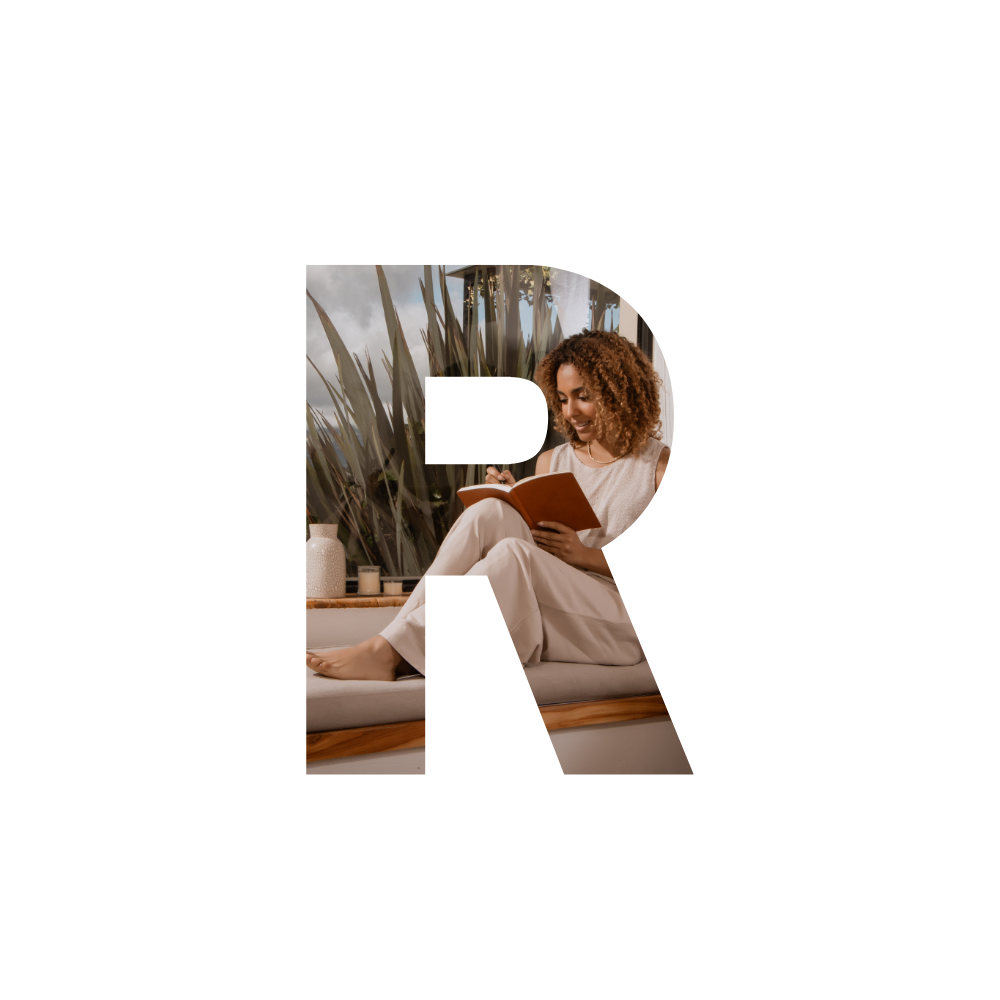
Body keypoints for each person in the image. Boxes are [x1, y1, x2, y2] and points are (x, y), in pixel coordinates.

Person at [305, 328, 673, 682]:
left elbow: (669, 573)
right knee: (489, 512)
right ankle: (390, 639)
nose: (571, 410)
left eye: (583, 395)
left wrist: (585, 556)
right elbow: (546, 547)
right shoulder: (554, 461)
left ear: (617, 391)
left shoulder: (659, 466)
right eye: (562, 399)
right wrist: (518, 502)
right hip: (556, 598)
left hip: (623, 618)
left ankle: (391, 652)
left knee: (515, 553)